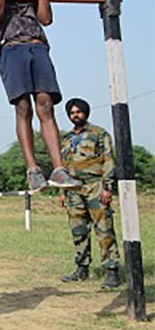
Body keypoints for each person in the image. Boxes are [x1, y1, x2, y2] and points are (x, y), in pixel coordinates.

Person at [0, 0, 81, 192]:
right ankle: (33, 170)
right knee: (22, 107)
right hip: (12, 49)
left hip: (37, 47)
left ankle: (59, 169)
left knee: (45, 106)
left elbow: (45, 19)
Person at [58, 98, 120, 288]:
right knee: (78, 230)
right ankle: (81, 269)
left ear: (86, 112)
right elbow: (63, 167)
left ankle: (112, 271)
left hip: (95, 186)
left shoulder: (99, 134)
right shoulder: (67, 139)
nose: (75, 115)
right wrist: (62, 192)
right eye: (72, 113)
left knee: (104, 228)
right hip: (73, 189)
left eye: (78, 112)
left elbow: (108, 160)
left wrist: (108, 187)